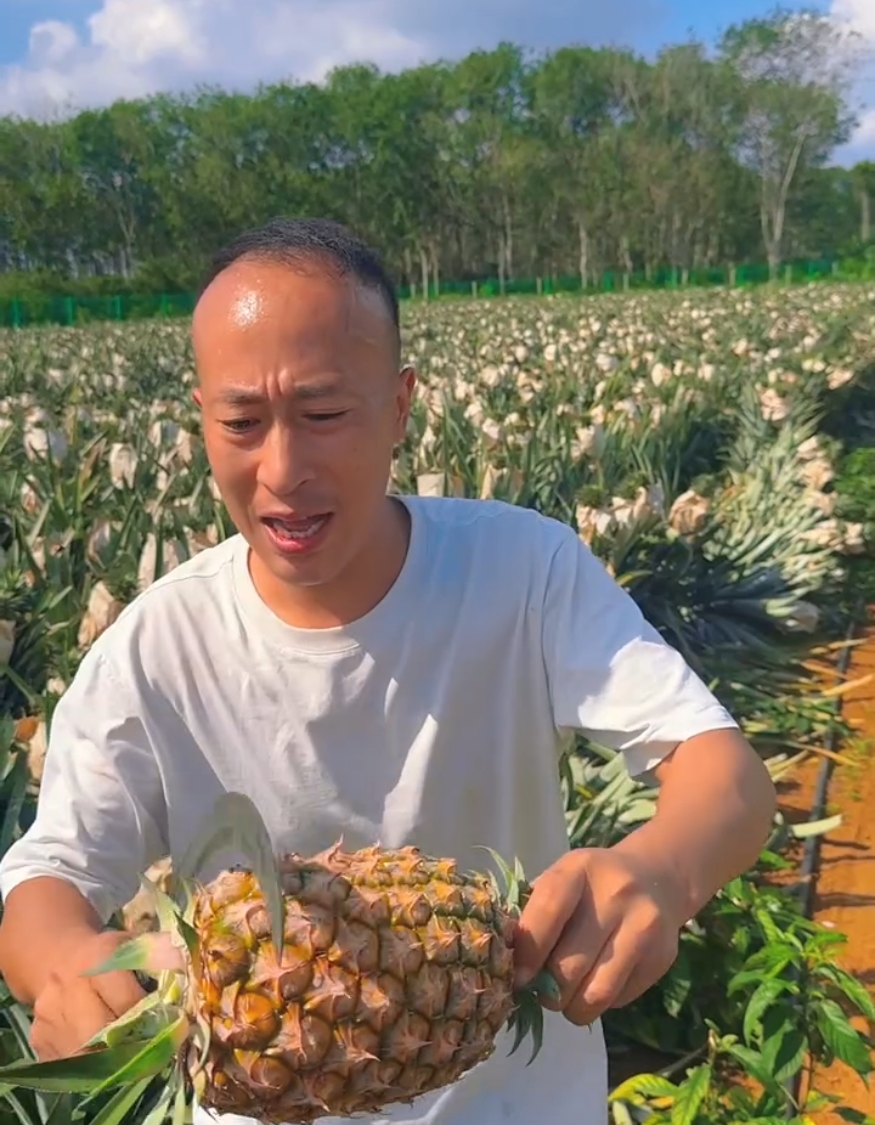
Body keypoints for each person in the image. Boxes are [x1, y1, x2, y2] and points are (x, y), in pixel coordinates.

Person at [0, 217, 776, 1125]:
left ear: (402, 404)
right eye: (241, 422)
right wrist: (60, 965)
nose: (282, 469)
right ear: (200, 417)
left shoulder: (522, 571)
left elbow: (725, 774)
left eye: (325, 413)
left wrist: (662, 865)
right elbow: (50, 872)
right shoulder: (155, 644)